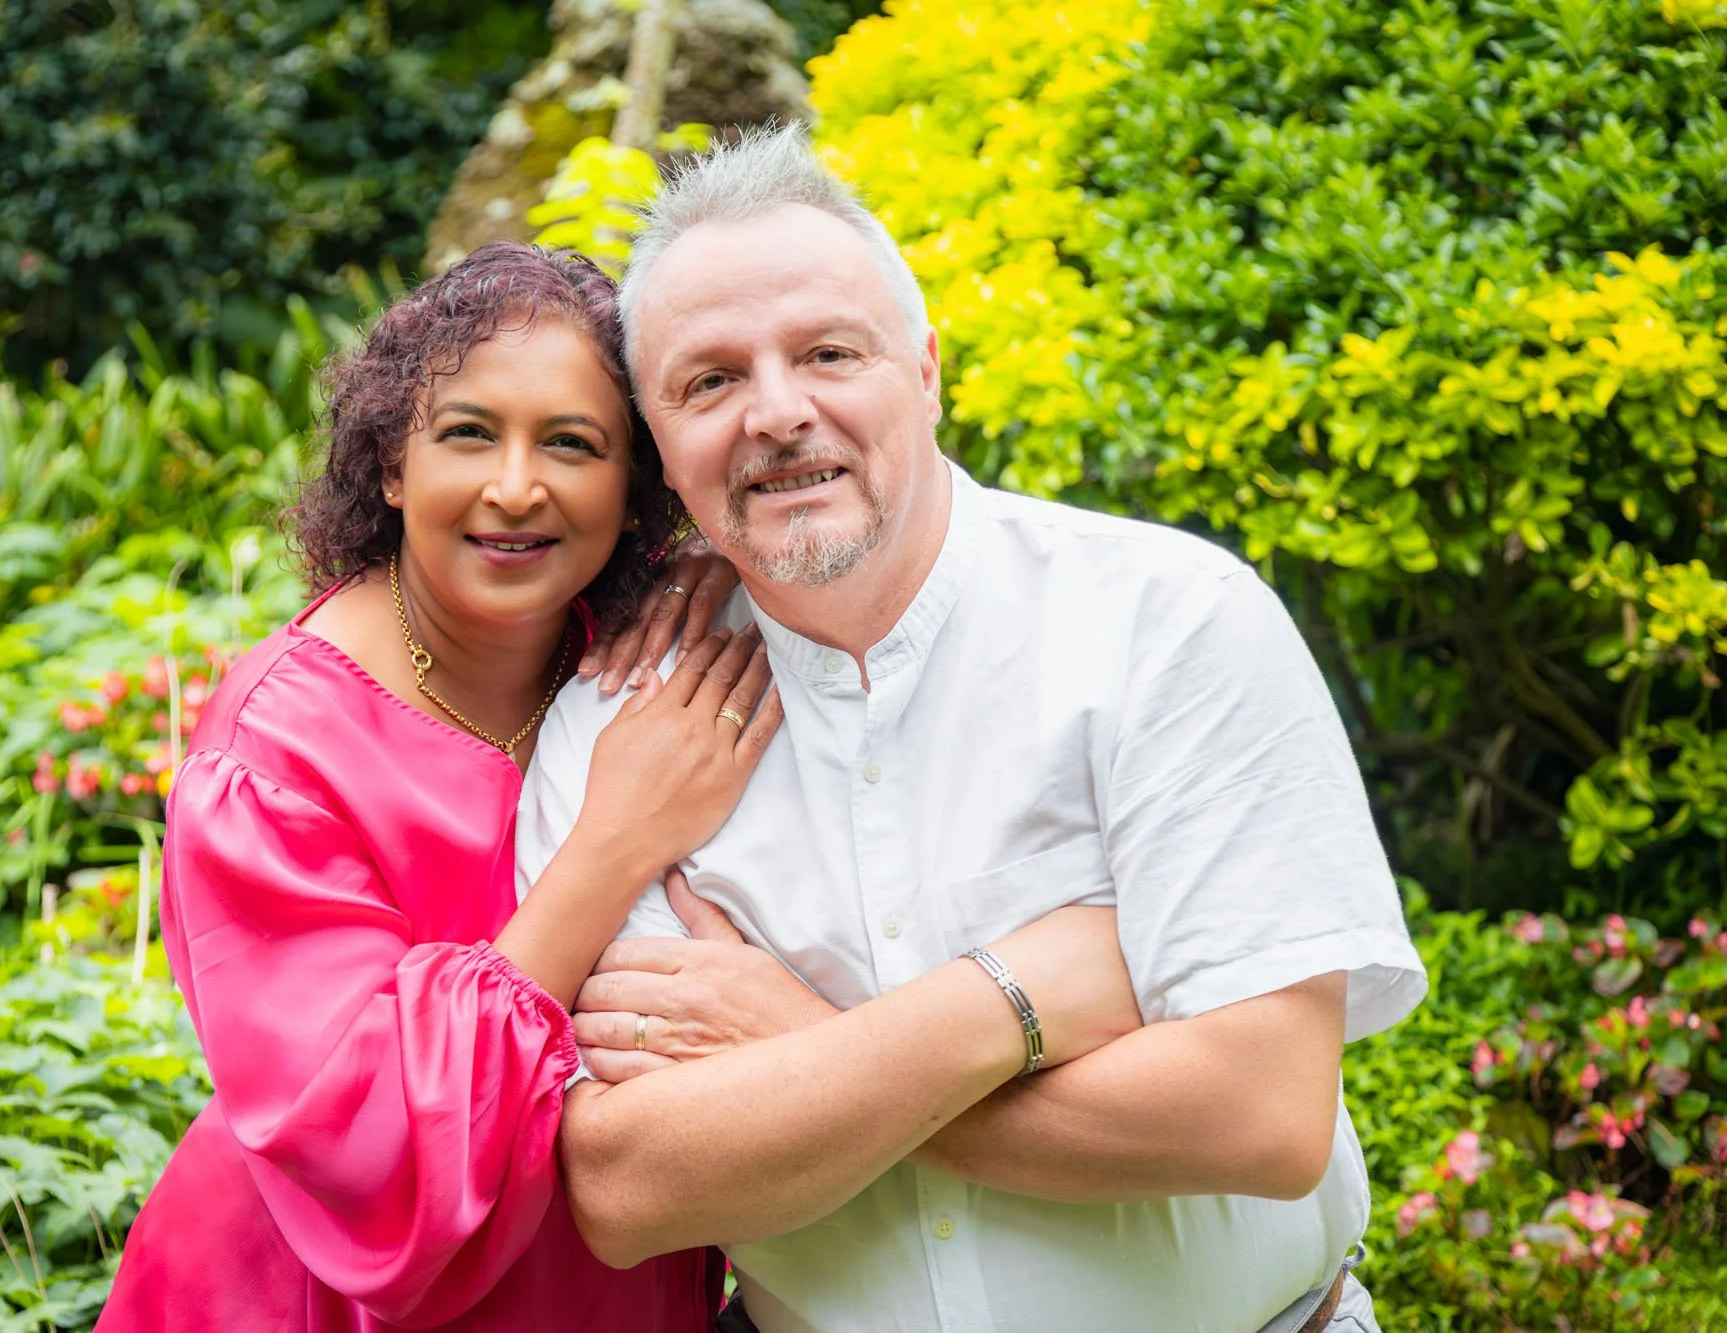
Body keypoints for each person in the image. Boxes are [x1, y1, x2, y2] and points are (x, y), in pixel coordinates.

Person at [516, 126, 1429, 1332]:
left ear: (926, 371)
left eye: (828, 353)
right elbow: (628, 1185)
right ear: (660, 450)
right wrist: (1010, 1003)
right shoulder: (615, 726)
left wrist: (800, 1046)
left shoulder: (1168, 626)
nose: (776, 413)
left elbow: (1258, 1114)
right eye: (709, 381)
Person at [98, 242, 782, 1331]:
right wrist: (611, 845)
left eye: (572, 443)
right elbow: (375, 1149)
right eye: (468, 433)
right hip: (313, 1296)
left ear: (636, 485)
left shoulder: (644, 653)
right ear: (390, 463)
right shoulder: (275, 754)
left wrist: (721, 557)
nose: (515, 488)